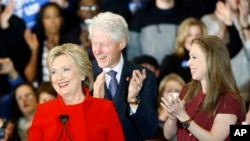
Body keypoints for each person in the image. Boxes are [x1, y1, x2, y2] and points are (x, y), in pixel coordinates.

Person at [28, 43, 124, 141]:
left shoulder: (105, 109)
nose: (59, 77)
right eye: (54, 72)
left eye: (66, 69)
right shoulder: (43, 112)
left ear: (82, 73)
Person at [89, 11, 158, 141]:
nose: (97, 51)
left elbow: (150, 131)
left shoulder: (143, 77)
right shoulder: (83, 75)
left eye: (104, 44)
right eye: (94, 43)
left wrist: (133, 101)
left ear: (122, 43)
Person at [161, 35, 246, 141]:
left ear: (212, 60)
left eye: (194, 57)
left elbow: (215, 139)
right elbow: (168, 135)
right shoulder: (187, 90)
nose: (188, 63)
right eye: (189, 57)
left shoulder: (228, 99)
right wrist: (172, 117)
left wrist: (183, 117)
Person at [159, 17, 207, 83]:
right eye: (189, 35)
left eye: (198, 35)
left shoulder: (209, 60)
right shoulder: (170, 61)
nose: (193, 39)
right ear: (182, 36)